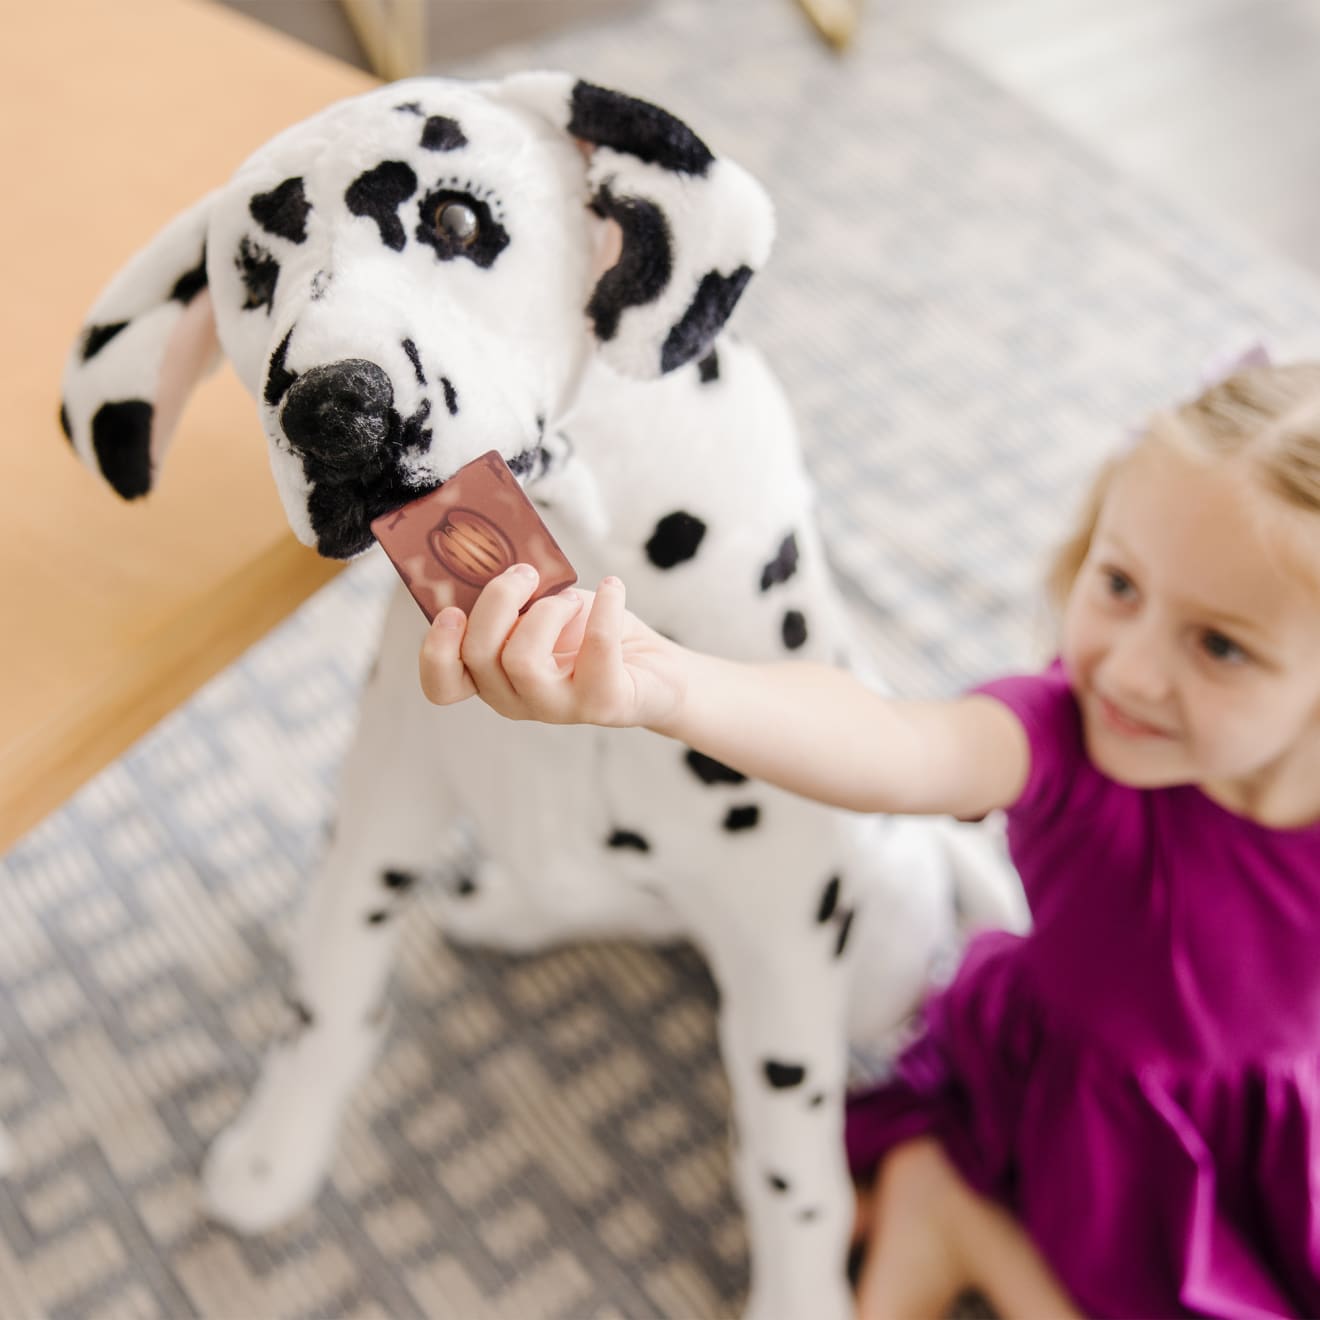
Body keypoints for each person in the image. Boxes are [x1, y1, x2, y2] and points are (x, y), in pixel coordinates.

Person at [417, 356, 1320, 1319]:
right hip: (1090, 1120)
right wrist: (672, 684)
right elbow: (894, 743)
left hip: (1271, 1124)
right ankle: (955, 1210)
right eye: (1121, 584)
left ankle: (943, 1212)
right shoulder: (1065, 741)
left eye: (1219, 645)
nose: (1130, 671)